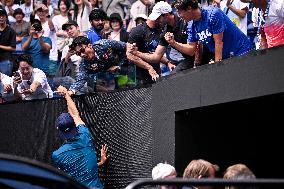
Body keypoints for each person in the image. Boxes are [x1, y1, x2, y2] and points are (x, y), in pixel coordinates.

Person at [52, 85, 109, 188]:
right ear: (74, 126)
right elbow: (75, 115)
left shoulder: (57, 155)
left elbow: (72, 174)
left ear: (58, 130)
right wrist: (66, 94)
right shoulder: (85, 135)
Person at [167, 0, 252, 64]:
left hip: (242, 51)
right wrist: (174, 43)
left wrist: (216, 66)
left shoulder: (213, 14)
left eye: (179, 12)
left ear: (189, 8)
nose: (179, 16)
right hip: (227, 57)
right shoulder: (191, 25)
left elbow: (218, 43)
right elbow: (191, 50)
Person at [127, 1, 194, 75]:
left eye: (158, 18)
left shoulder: (185, 21)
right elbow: (156, 57)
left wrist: (174, 43)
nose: (156, 21)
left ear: (166, 15)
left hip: (202, 55)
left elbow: (192, 51)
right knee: (172, 78)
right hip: (189, 59)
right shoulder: (165, 32)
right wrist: (136, 53)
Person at [127, 1, 172, 86]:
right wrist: (148, 67)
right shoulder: (137, 31)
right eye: (164, 17)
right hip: (139, 78)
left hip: (155, 74)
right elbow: (130, 55)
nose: (166, 20)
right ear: (157, 17)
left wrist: (167, 62)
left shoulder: (160, 30)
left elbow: (154, 53)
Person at [0, 7, 16, 77]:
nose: (1, 18)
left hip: (6, 60)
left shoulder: (11, 31)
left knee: (6, 83)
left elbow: (13, 48)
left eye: (3, 16)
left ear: (6, 17)